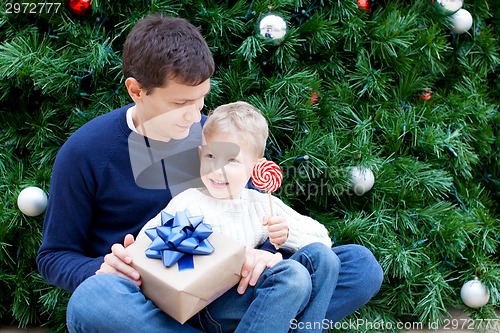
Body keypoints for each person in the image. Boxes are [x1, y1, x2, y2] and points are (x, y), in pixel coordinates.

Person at [36, 14, 383, 333]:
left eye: (201, 98)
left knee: (358, 266)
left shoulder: (214, 136)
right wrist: (102, 268)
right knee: (92, 301)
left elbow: (249, 214)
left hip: (231, 290)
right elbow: (54, 256)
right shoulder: (85, 152)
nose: (195, 116)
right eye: (180, 103)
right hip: (149, 298)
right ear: (136, 91)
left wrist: (269, 254)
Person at [136, 101, 337, 331]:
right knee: (293, 276)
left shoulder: (260, 204)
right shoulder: (191, 202)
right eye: (211, 156)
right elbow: (147, 243)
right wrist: (228, 255)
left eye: (231, 160)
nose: (217, 169)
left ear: (256, 168)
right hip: (208, 305)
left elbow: (323, 239)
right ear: (201, 154)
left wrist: (287, 233)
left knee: (324, 258)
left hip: (253, 295)